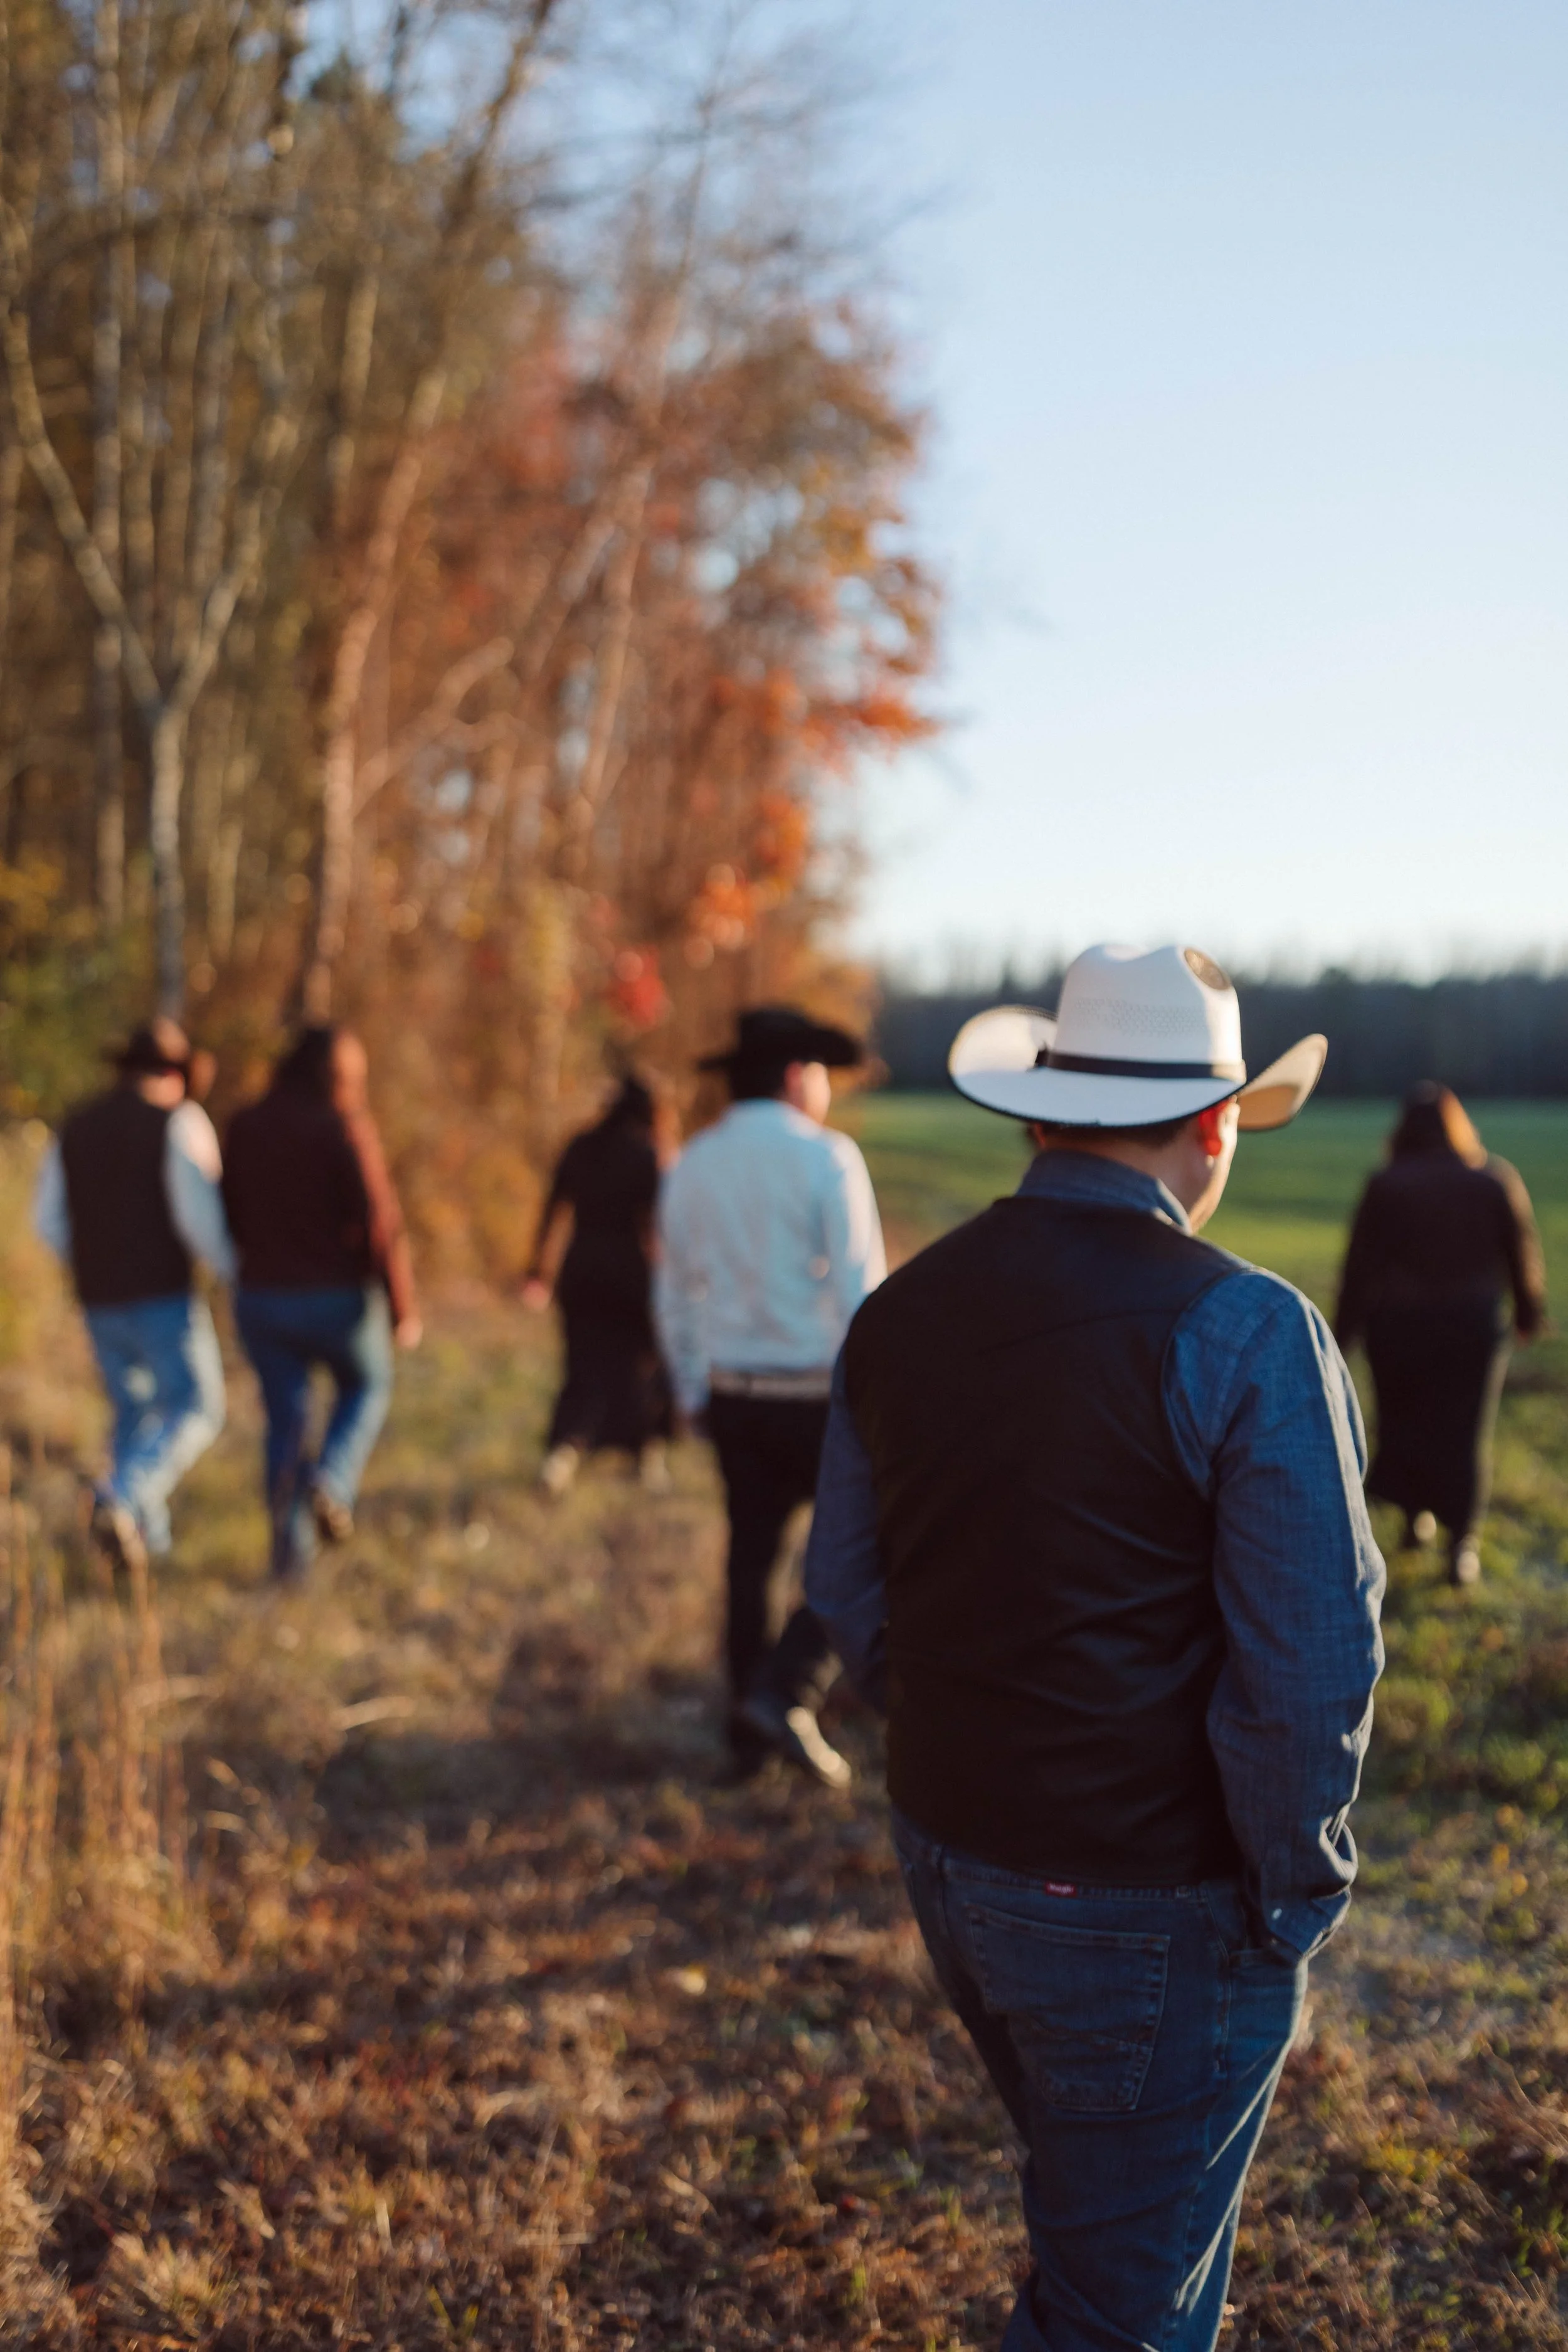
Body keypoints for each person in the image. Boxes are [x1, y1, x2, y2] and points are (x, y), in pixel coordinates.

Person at [805, 943, 1385, 2352]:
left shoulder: (897, 1313)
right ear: (1213, 1128)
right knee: (1119, 2315)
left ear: (1042, 1110)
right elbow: (1307, 1672)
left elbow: (844, 1589)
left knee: (1104, 2242)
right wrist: (1292, 1894)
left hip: (951, 1860)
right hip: (1149, 1898)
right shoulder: (1248, 1331)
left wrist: (959, 1747)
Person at [656, 1004, 887, 1789]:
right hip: (819, 1398)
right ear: (796, 1076)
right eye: (819, 1074)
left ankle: (746, 1728)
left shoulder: (692, 1161)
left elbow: (676, 1290)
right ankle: (784, 1690)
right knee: (859, 1548)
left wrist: (691, 1387)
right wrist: (878, 1398)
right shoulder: (828, 1158)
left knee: (749, 1558)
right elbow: (864, 1293)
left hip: (732, 1392)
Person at [32, 1019, 233, 1575]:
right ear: (173, 1074)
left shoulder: (76, 1126)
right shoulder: (177, 1122)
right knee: (197, 1406)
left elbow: (46, 1222)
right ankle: (118, 1499)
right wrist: (231, 1269)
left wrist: (92, 1261)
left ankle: (144, 1546)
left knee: (136, 1416)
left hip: (98, 1298)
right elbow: (199, 1217)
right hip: (162, 1294)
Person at [223, 1027, 420, 1581]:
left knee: (286, 1423)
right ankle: (331, 1482)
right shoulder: (342, 1127)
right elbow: (381, 1223)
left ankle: (289, 1564)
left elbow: (230, 1209)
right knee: (369, 1384)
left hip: (262, 1301)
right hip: (336, 1300)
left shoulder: (243, 1125)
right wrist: (403, 1309)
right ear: (338, 1077)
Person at [1336, 1081, 1545, 1587]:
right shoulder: (1493, 1179)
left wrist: (1344, 1334)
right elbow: (1521, 1253)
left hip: (1399, 1331)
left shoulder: (1386, 1184)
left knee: (1404, 1424)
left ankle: (1415, 1522)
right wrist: (1527, 1314)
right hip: (1471, 1329)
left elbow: (1359, 1268)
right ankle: (1462, 1545)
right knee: (1465, 1434)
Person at [523, 1075, 672, 1498]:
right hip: (631, 1273)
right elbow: (662, 1227)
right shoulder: (649, 1154)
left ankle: (562, 1455)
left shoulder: (581, 1146)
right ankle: (648, 1456)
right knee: (641, 1366)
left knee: (581, 1366)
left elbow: (554, 1210)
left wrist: (538, 1269)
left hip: (581, 1270)